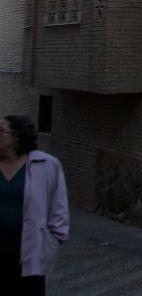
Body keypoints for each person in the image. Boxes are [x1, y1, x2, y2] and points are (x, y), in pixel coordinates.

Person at [0, 115, 69, 295]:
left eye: (1, 130)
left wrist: (50, 244)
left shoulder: (46, 165)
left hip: (29, 259)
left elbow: (59, 210)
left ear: (16, 136)